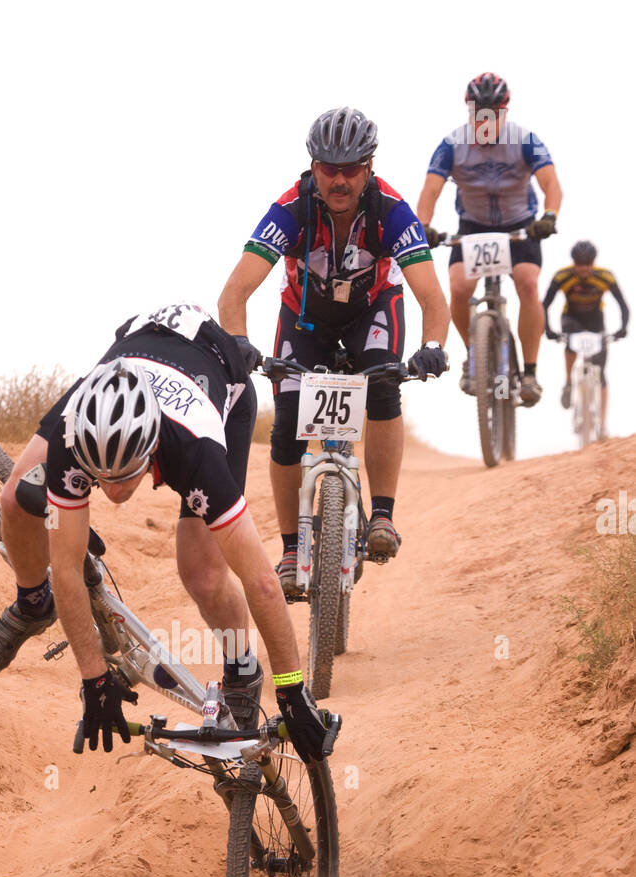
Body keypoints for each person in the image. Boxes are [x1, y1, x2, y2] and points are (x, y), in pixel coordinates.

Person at [0, 304, 330, 762]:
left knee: (203, 574)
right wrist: (94, 680)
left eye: (128, 475)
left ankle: (242, 667)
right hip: (126, 366)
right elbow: (66, 569)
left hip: (216, 378)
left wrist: (291, 691)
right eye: (103, 477)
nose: (115, 493)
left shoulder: (195, 452)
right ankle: (32, 604)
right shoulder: (70, 435)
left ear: (153, 450)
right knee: (16, 500)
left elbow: (260, 580)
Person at [217, 106, 449, 594]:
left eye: (350, 169)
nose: (339, 180)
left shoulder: (391, 211)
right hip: (305, 321)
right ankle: (291, 550)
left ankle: (382, 516)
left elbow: (431, 296)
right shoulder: (292, 208)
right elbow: (234, 292)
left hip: (372, 313)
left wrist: (433, 346)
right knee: (286, 426)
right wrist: (238, 341)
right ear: (312, 166)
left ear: (369, 168)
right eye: (329, 169)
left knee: (385, 389)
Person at [418, 72, 563, 405]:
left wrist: (549, 217)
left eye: (493, 113)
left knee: (527, 283)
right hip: (474, 226)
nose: (485, 121)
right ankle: (475, 354)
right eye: (478, 113)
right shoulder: (453, 145)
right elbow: (430, 190)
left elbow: (552, 185)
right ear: (469, 112)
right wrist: (424, 224)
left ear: (504, 111)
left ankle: (529, 371)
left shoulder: (525, 140)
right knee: (458, 288)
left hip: (520, 224)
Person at [543, 241, 629, 433]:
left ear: (593, 263)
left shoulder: (605, 277)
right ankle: (568, 383)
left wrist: (622, 328)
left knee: (602, 373)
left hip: (595, 321)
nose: (583, 268)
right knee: (571, 343)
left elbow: (623, 305)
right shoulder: (562, 276)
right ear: (573, 263)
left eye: (587, 263)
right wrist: (547, 329)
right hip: (571, 318)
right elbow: (544, 305)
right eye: (579, 263)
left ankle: (603, 425)